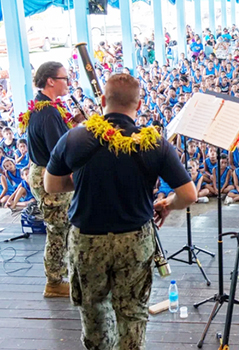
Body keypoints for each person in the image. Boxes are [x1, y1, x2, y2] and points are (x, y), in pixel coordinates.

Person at [44, 73, 197, 350]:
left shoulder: (74, 138)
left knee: (93, 313)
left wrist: (79, 181)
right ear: (138, 106)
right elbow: (188, 195)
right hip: (134, 241)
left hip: (87, 240)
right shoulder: (154, 143)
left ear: (102, 100)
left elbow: (51, 184)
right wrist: (166, 205)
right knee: (133, 314)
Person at [25, 62, 74, 298]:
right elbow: (60, 152)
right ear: (50, 81)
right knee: (58, 229)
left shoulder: (44, 108)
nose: (69, 82)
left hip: (44, 172)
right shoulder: (48, 113)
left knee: (64, 226)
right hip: (50, 178)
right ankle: (54, 281)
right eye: (65, 78)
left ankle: (63, 274)